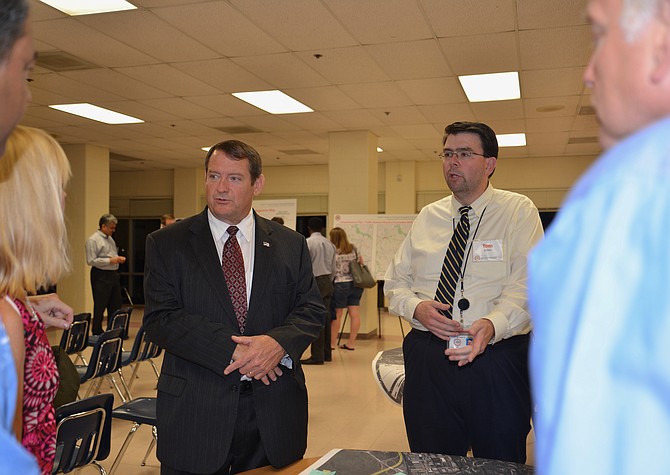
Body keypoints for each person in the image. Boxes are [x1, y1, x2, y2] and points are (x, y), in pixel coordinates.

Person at [528, 1, 670, 473]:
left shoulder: (631, 190)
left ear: (660, 48)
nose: (589, 72)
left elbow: (593, 441)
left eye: (600, 36)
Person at [143, 139, 324, 474]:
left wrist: (277, 344)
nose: (221, 188)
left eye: (234, 178)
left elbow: (310, 309)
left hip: (274, 410)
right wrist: (236, 352)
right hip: (196, 410)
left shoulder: (290, 244)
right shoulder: (168, 242)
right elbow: (161, 319)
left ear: (257, 184)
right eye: (213, 176)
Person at [384, 121, 543, 463]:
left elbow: (529, 285)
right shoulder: (429, 216)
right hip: (429, 357)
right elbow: (394, 283)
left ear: (490, 164)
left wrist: (492, 324)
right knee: (432, 458)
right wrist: (417, 308)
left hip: (495, 357)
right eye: (448, 154)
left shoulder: (518, 211)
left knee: (499, 459)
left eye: (464, 154)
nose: (452, 162)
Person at [0, 125, 73, 474]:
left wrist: (27, 308)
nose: (64, 199)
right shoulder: (6, 318)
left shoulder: (12, 305)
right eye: (58, 188)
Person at [301, 217, 336, 365]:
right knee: (326, 318)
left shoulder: (307, 243)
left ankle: (317, 356)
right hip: (327, 281)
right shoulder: (330, 244)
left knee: (316, 317)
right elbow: (334, 266)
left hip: (315, 282)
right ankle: (326, 353)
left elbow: (304, 266)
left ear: (309, 228)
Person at [85, 214, 126, 335]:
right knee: (100, 303)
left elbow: (111, 254)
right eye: (111, 228)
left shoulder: (111, 239)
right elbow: (91, 260)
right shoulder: (93, 240)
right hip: (100, 274)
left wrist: (117, 259)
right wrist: (110, 261)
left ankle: (113, 330)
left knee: (116, 303)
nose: (114, 230)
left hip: (112, 273)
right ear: (103, 226)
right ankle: (97, 330)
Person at [329, 227, 365, 351]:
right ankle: (351, 343)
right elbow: (361, 262)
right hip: (356, 284)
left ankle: (332, 344)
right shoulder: (353, 248)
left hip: (340, 284)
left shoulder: (333, 250)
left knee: (338, 315)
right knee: (354, 313)